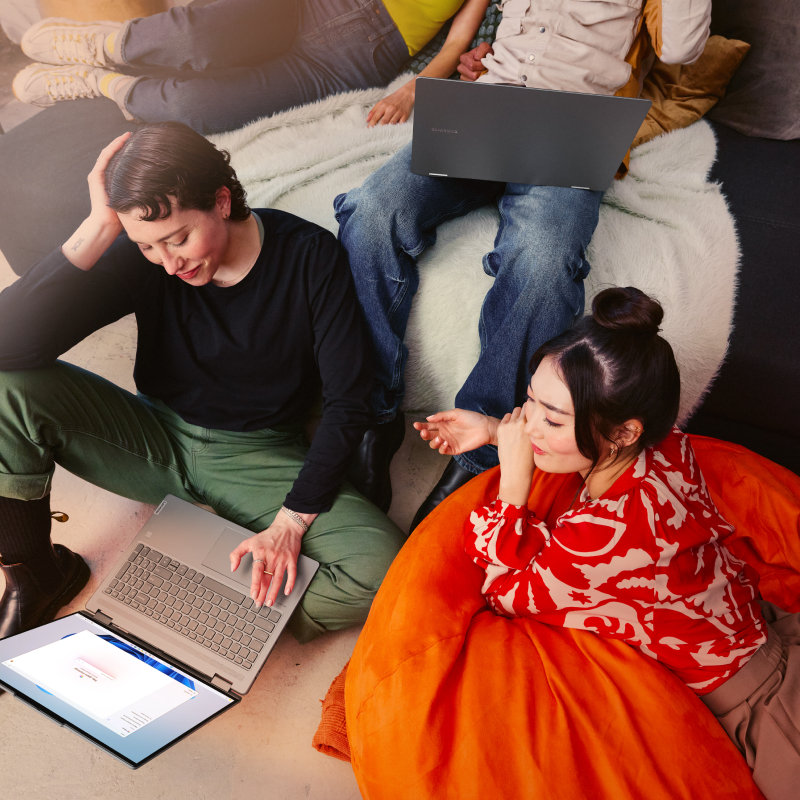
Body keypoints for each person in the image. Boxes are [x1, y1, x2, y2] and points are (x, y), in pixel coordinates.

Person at [0, 121, 405, 643]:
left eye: (179, 239)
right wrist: (101, 226)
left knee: (382, 572)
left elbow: (349, 401)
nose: (169, 264)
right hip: (149, 434)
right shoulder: (145, 258)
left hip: (253, 454)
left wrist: (289, 525)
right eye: (148, 247)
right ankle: (37, 573)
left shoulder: (309, 256)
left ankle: (215, 617)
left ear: (220, 200)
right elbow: (11, 346)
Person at [334, 0, 713, 529]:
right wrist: (475, 62)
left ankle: (480, 455)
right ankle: (371, 419)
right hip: (486, 111)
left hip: (571, 125)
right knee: (370, 211)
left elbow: (681, 49)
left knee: (543, 260)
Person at [414, 286, 800, 800]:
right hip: (762, 638)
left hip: (762, 711)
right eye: (529, 401)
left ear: (622, 431)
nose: (528, 423)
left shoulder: (605, 538)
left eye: (551, 420)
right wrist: (492, 427)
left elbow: (503, 590)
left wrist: (513, 479)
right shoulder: (668, 448)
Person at [12, 0, 490, 135]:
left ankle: (101, 82)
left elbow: (456, 45)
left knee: (192, 106)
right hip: (303, 7)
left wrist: (411, 90)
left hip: (346, 63)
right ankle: (108, 45)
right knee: (197, 36)